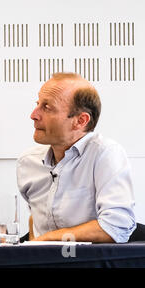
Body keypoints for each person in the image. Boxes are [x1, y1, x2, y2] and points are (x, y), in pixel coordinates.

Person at [17, 72, 135, 243]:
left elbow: (116, 227)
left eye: (47, 107)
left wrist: (45, 240)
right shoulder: (28, 162)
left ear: (80, 121)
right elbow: (35, 216)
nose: (34, 114)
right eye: (37, 104)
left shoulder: (106, 154)